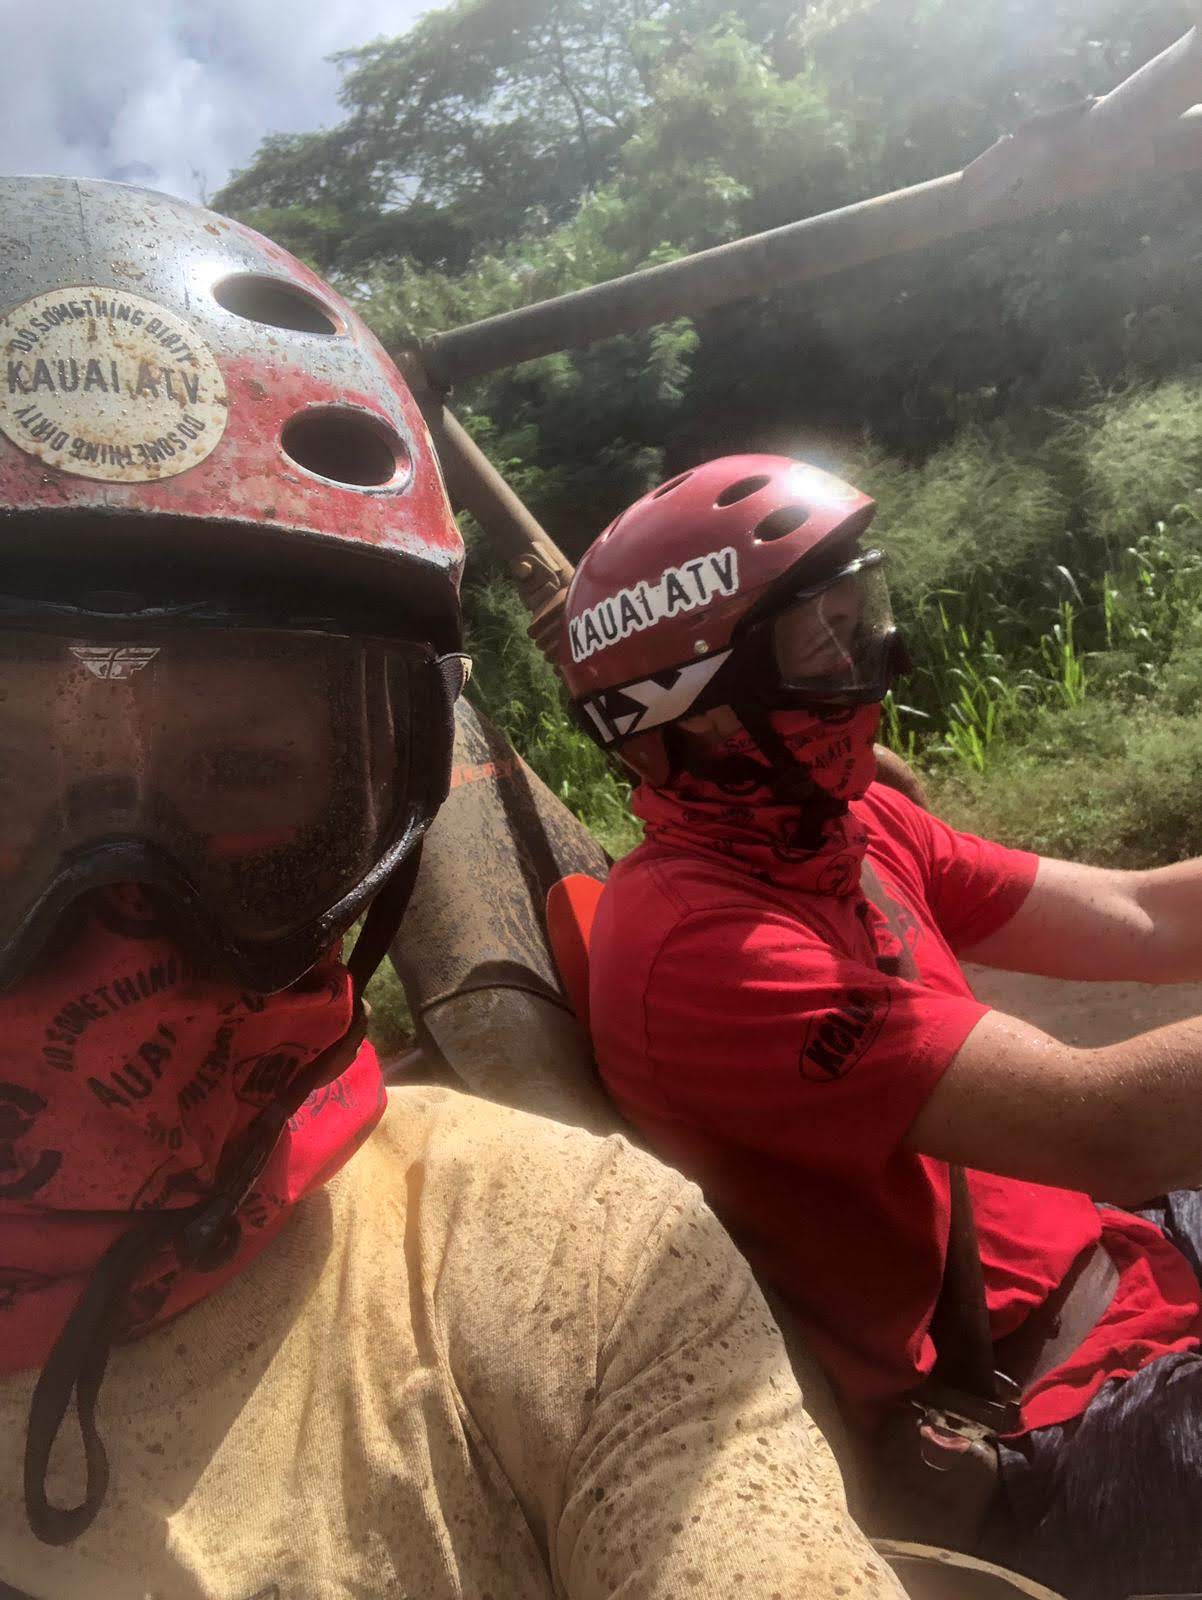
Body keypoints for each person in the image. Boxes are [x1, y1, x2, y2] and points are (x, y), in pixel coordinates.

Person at [0, 184, 904, 1599]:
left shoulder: (576, 1271)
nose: (120, 908)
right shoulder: (707, 945)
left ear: (383, 790)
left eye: (242, 771)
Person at [563, 453, 1202, 1600]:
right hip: (1040, 1420)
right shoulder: (701, 952)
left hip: (1121, 1266)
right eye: (826, 642)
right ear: (703, 708)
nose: (878, 666)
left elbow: (1141, 916)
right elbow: (1105, 1123)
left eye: (866, 619)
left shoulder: (837, 831)